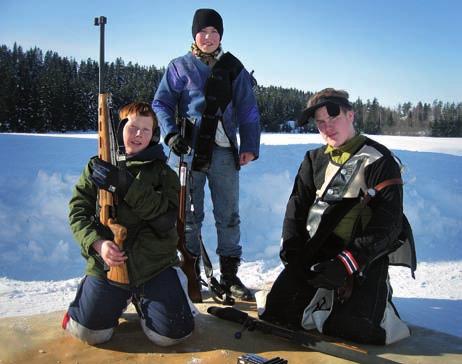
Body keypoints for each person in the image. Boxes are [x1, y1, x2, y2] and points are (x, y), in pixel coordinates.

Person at [258, 88, 416, 345]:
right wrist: (294, 252)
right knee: (276, 312)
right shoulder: (313, 160)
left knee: (357, 330)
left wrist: (347, 263)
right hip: (319, 250)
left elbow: (388, 224)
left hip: (360, 258)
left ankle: (376, 300)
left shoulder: (379, 160)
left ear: (351, 115)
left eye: (334, 119)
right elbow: (296, 209)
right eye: (320, 122)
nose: (327, 127)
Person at [62, 102, 196, 346]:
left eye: (146, 130)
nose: (138, 135)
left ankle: (162, 292)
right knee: (88, 334)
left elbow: (165, 221)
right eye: (133, 127)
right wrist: (97, 244)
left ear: (154, 134)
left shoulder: (165, 175)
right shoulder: (97, 168)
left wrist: (125, 185)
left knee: (172, 335)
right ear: (119, 129)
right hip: (107, 265)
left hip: (154, 266)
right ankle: (101, 297)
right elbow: (77, 211)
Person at [152, 8, 260, 301]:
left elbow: (248, 108)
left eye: (214, 32)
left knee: (228, 216)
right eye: (203, 32)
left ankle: (229, 276)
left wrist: (250, 145)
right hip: (187, 153)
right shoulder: (179, 67)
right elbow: (161, 103)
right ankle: (191, 275)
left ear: (221, 35)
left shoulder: (233, 67)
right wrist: (171, 134)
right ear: (194, 35)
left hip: (224, 153)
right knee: (188, 217)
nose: (209, 37)